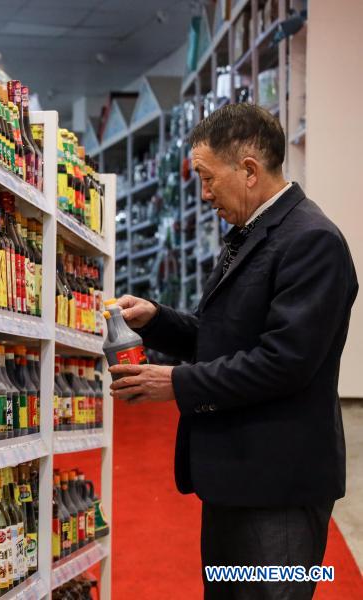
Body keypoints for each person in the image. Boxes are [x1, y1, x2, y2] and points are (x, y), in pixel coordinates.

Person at [109, 103, 357, 599]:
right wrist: (156, 320)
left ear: (248, 170)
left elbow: (284, 363)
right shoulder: (254, 235)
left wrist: (175, 383)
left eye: (207, 178)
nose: (203, 195)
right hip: (237, 476)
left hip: (279, 486)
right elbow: (224, 335)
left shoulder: (312, 241)